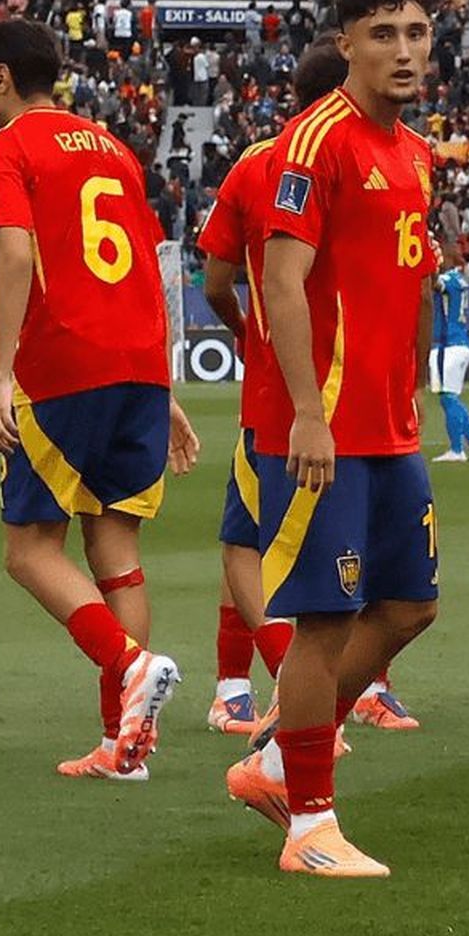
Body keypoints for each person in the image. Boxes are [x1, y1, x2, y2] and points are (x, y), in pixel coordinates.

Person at [221, 0, 445, 878]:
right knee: (322, 619)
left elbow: (412, 282)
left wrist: (414, 389)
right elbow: (279, 279)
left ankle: (276, 759)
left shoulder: (416, 152)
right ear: (346, 42)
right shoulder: (314, 142)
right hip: (320, 428)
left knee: (409, 606)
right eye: (383, 33)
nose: (403, 50)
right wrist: (310, 413)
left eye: (417, 33)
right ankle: (310, 826)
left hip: (387, 424)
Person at [0, 18, 199, 783]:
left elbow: (17, 252)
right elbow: (145, 266)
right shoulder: (114, 149)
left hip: (64, 363)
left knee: (30, 550)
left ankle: (129, 667)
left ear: (2, 76)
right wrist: (162, 387)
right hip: (136, 363)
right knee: (116, 550)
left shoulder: (7, 146)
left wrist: (0, 374)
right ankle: (123, 744)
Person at [194, 37, 350, 735]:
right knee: (350, 543)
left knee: (247, 539)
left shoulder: (260, 165)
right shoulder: (389, 153)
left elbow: (216, 282)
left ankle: (260, 684)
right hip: (359, 390)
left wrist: (247, 331)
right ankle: (262, 685)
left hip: (281, 392)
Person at [427, 253, 469, 463]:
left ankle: (456, 449)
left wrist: (428, 262)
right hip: (462, 343)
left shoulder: (448, 280)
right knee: (453, 398)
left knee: (447, 397)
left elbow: (436, 284)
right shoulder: (461, 281)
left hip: (447, 344)